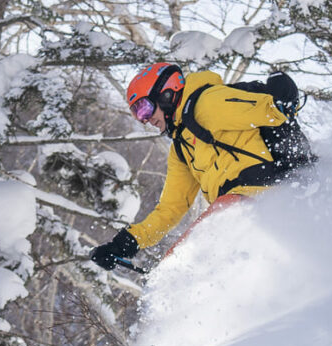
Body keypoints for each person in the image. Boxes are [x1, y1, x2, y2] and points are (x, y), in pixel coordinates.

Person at [89, 61, 297, 270]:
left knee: (188, 256)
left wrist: (280, 97)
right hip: (234, 208)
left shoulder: (209, 103)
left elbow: (273, 111)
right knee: (176, 263)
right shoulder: (181, 148)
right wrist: (124, 244)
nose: (145, 119)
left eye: (144, 108)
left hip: (266, 194)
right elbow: (170, 210)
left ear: (166, 94)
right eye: (138, 115)